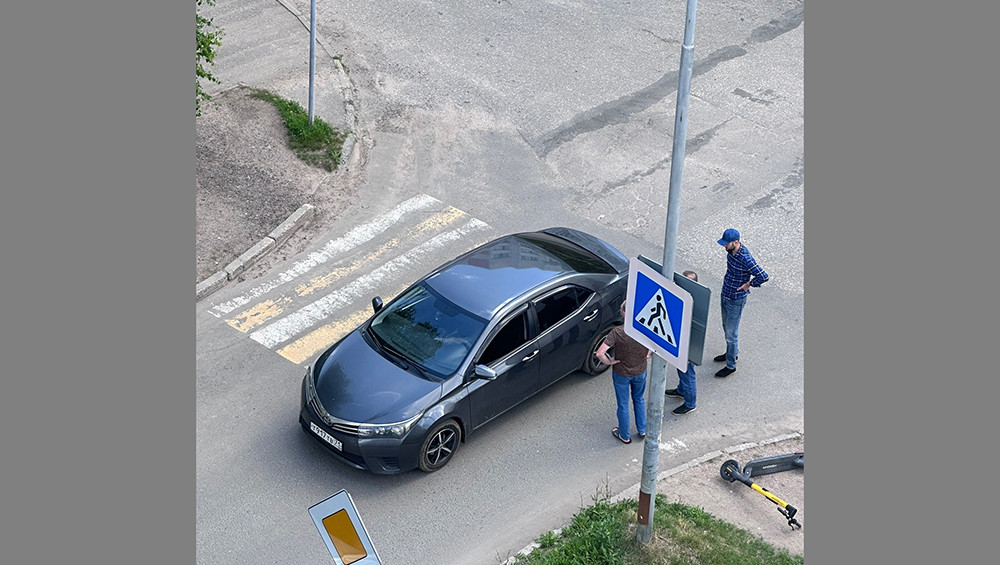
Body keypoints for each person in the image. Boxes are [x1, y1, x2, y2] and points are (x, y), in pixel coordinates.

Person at [714, 228, 769, 378]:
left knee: (731, 334)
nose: (724, 247)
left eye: (727, 244)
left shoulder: (745, 258)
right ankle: (731, 352)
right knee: (726, 327)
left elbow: (763, 276)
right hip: (726, 292)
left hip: (736, 299)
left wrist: (749, 284)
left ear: (736, 242)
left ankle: (731, 365)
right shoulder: (730, 252)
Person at [596, 303, 652, 444]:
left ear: (623, 313)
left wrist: (609, 362)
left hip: (621, 373)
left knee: (623, 404)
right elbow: (653, 346)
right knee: (639, 399)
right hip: (640, 371)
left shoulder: (618, 332)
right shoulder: (645, 328)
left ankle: (624, 435)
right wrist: (647, 354)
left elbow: (600, 353)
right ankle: (642, 430)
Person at [666, 270, 699, 414]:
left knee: (687, 372)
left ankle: (690, 403)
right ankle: (681, 390)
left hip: (686, 345)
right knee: (682, 370)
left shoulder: (693, 303)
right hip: (679, 341)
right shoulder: (684, 297)